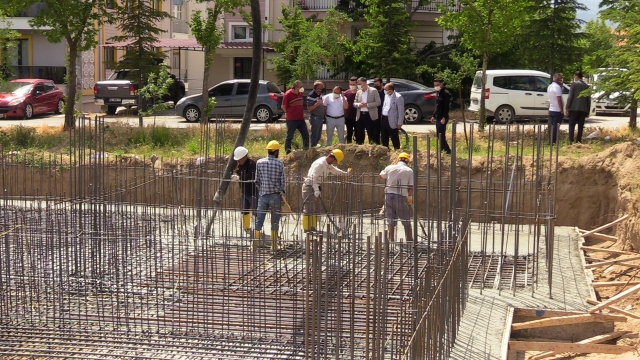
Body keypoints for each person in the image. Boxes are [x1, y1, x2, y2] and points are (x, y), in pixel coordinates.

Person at [302, 149, 350, 232]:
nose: (335, 163)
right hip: (309, 186)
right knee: (309, 208)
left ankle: (313, 227)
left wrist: (345, 174)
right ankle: (307, 229)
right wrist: (316, 189)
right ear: (333, 158)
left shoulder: (327, 164)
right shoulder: (320, 164)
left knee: (316, 208)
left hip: (317, 186)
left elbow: (334, 170)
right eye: (336, 161)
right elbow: (312, 178)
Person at [254, 140, 286, 250]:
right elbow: (283, 182)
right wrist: (282, 193)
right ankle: (273, 246)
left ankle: (254, 244)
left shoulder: (259, 162)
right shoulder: (280, 164)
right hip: (275, 196)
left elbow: (257, 181)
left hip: (262, 196)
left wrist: (262, 190)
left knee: (259, 220)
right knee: (275, 220)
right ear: (276, 152)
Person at [379, 152, 414, 244]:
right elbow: (410, 188)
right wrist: (409, 198)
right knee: (405, 219)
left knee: (391, 219)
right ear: (408, 161)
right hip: (401, 196)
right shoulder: (409, 171)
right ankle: (410, 240)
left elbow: (381, 176)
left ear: (398, 159)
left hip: (389, 196)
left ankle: (391, 240)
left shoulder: (390, 167)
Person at [230, 146, 256, 233]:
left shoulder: (252, 164)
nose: (238, 161)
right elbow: (238, 172)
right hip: (244, 192)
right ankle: (246, 227)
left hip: (253, 192)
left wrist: (239, 177)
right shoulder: (240, 164)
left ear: (244, 157)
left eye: (239, 159)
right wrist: (236, 173)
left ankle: (257, 229)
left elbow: (252, 176)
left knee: (256, 211)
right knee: (244, 210)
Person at [282, 80, 310, 154]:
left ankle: (306, 150)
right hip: (292, 119)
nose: (302, 88)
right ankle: (288, 151)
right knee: (290, 136)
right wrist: (288, 113)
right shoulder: (288, 94)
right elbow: (283, 106)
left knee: (306, 135)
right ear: (296, 87)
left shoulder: (300, 93)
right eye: (301, 86)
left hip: (300, 119)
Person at [355, 77, 381, 145]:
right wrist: (359, 104)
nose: (359, 85)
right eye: (358, 84)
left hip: (370, 115)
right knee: (360, 133)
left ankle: (371, 148)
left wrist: (367, 105)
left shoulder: (373, 90)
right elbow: (354, 103)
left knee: (371, 133)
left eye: (360, 84)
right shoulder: (358, 92)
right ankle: (360, 149)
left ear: (365, 83)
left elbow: (378, 102)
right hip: (360, 115)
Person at [565, 70, 590, 143]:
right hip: (583, 109)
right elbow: (588, 99)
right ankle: (579, 139)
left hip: (574, 108)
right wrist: (588, 110)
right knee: (580, 125)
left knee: (572, 124)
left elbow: (570, 97)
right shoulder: (586, 86)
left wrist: (567, 107)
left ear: (576, 76)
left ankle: (571, 139)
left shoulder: (574, 84)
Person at [380, 83, 405, 150]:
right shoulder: (386, 95)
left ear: (390, 90)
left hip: (392, 120)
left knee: (394, 137)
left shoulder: (398, 97)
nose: (384, 90)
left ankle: (397, 151)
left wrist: (400, 123)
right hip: (384, 118)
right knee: (384, 136)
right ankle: (386, 150)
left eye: (385, 89)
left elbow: (401, 111)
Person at [430, 78, 452, 154]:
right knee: (439, 135)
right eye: (435, 85)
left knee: (441, 135)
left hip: (443, 117)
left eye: (437, 85)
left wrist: (444, 117)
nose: (436, 86)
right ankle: (446, 150)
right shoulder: (438, 92)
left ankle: (445, 150)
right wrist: (433, 116)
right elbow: (437, 106)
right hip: (438, 117)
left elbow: (446, 107)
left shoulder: (446, 93)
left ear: (441, 84)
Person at [547, 73, 564, 146]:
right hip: (557, 109)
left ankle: (550, 140)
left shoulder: (550, 86)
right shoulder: (557, 87)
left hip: (551, 108)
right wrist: (561, 109)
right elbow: (559, 99)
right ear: (557, 79)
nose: (562, 81)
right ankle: (553, 142)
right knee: (556, 127)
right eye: (560, 79)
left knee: (551, 126)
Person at [307, 81, 325, 147]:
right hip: (315, 118)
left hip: (320, 118)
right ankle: (312, 148)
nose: (323, 89)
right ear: (317, 88)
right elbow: (309, 109)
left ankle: (315, 146)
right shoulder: (311, 95)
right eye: (321, 88)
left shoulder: (319, 94)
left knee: (318, 135)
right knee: (314, 135)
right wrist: (317, 104)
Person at [343, 77, 358, 144]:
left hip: (358, 117)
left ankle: (359, 145)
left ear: (357, 84)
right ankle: (349, 145)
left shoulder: (360, 92)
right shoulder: (347, 93)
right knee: (349, 133)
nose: (352, 86)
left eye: (353, 84)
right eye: (351, 84)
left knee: (358, 133)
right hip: (348, 116)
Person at [373, 77, 385, 144]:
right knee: (376, 131)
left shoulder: (385, 92)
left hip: (384, 114)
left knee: (383, 131)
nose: (376, 86)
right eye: (375, 85)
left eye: (377, 84)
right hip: (376, 113)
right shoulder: (374, 92)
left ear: (381, 84)